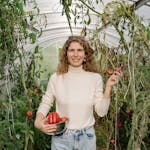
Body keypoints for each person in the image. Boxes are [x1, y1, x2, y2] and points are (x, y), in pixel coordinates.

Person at [34, 36, 122, 150]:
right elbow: (46, 103)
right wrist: (38, 121)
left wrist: (108, 87)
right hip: (61, 138)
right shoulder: (56, 78)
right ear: (66, 54)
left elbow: (101, 112)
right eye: (71, 50)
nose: (75, 54)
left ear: (85, 55)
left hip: (87, 139)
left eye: (79, 50)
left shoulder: (95, 78)